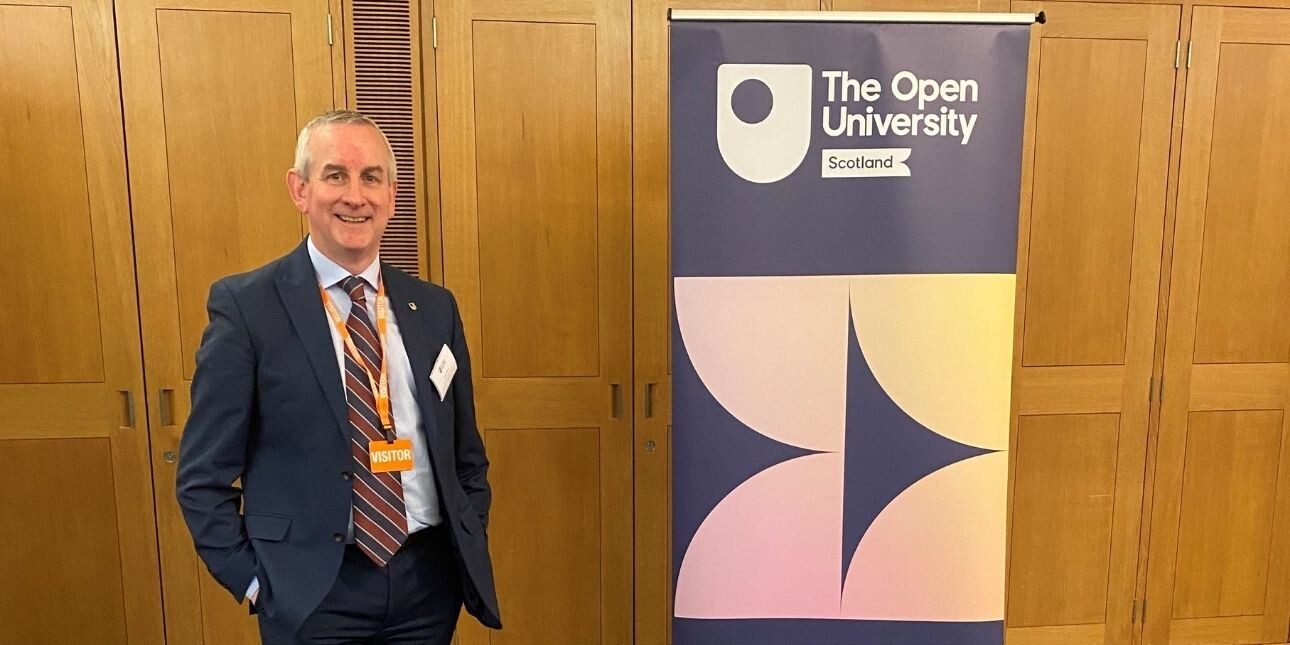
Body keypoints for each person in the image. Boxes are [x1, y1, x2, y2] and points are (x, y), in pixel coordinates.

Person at [176, 110, 502, 643]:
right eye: (335, 176)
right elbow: (201, 477)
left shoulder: (435, 308)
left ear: (392, 195)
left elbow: (465, 451)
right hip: (310, 592)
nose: (356, 196)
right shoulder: (248, 307)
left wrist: (466, 535)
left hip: (426, 585)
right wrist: (255, 581)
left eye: (372, 177)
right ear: (300, 190)